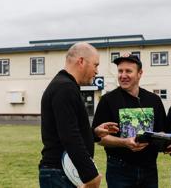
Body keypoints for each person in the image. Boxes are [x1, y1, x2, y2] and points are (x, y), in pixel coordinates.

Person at [39, 42, 118, 188]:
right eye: (95, 65)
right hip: (60, 173)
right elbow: (70, 136)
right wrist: (91, 175)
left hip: (61, 172)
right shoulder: (65, 88)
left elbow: (64, 129)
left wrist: (94, 133)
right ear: (81, 61)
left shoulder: (64, 85)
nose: (96, 71)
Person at [92, 53, 166, 188]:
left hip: (148, 169)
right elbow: (99, 138)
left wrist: (165, 142)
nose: (123, 75)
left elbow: (161, 131)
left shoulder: (153, 100)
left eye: (128, 71)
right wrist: (124, 142)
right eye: (120, 71)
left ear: (140, 73)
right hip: (119, 169)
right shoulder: (107, 100)